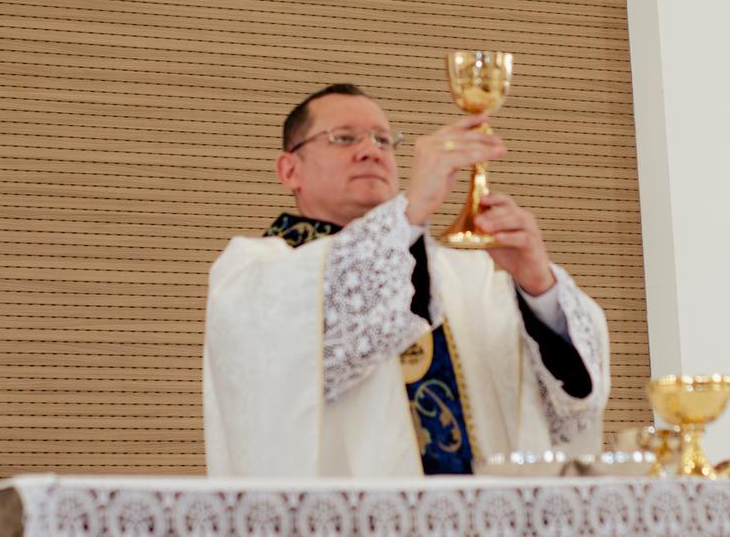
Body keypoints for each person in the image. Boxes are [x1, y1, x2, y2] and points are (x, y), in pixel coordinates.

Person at [203, 84, 609, 476]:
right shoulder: (255, 275)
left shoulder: (466, 277)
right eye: (343, 138)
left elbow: (570, 408)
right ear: (290, 169)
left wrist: (538, 286)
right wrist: (412, 209)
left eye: (382, 140)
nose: (370, 151)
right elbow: (303, 354)